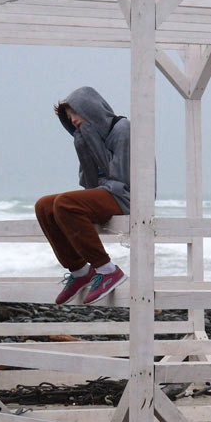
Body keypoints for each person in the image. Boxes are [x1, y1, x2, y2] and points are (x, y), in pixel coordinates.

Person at [35, 86, 130, 305]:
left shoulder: (122, 129)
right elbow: (89, 184)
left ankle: (107, 270)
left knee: (66, 204)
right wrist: (85, 145)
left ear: (90, 109)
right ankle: (80, 272)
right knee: (45, 206)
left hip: (126, 195)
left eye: (75, 113)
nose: (74, 120)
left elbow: (121, 178)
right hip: (106, 193)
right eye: (69, 117)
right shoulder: (87, 137)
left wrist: (92, 142)